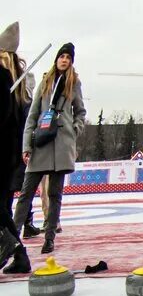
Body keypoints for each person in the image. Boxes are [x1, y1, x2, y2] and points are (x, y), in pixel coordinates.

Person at [14, 42, 86, 257]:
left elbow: (81, 111)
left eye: (68, 58)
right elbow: (33, 115)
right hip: (42, 142)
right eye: (62, 56)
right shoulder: (46, 81)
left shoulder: (74, 83)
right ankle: (12, 235)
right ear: (56, 59)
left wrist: (74, 130)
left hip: (62, 144)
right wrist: (26, 145)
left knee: (55, 195)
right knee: (26, 193)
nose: (64, 60)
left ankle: (49, 238)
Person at [0, 21, 29, 272]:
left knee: (1, 209)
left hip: (6, 154)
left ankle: (10, 247)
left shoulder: (11, 82)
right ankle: (20, 255)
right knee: (2, 209)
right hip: (11, 156)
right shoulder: (16, 84)